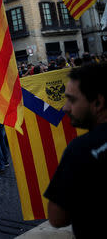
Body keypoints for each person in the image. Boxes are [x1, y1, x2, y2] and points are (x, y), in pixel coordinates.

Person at [44, 62, 107, 238]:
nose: (65, 107)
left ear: (98, 102)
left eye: (72, 99)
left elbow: (57, 218)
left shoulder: (81, 149)